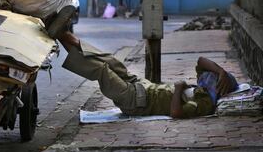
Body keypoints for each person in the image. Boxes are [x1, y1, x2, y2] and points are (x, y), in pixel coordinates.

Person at [44, 6, 239, 118]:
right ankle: (62, 33)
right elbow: (201, 61)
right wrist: (221, 71)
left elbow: (176, 113)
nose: (210, 78)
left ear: (221, 90)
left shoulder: (206, 103)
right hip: (141, 86)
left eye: (216, 81)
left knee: (102, 70)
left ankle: (60, 32)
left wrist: (179, 88)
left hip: (137, 102)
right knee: (110, 61)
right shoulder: (202, 88)